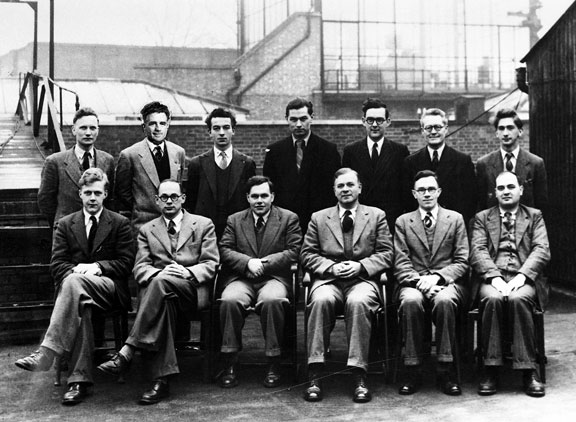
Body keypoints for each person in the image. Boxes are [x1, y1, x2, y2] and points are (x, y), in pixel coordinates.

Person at [15, 168, 134, 406]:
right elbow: (57, 264)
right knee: (81, 302)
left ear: (105, 194)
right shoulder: (66, 224)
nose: (92, 198)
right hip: (78, 292)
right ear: (79, 193)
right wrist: (77, 274)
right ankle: (78, 381)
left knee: (73, 283)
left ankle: (47, 353)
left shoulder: (120, 223)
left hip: (109, 289)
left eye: (97, 193)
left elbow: (126, 263)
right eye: (87, 192)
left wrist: (98, 267)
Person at [97, 179, 219, 404]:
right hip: (162, 293)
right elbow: (140, 267)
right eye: (164, 197)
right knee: (163, 298)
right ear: (156, 201)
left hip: (190, 289)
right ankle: (161, 381)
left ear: (183, 198)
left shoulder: (203, 224)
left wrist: (186, 271)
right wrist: (160, 275)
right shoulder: (147, 230)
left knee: (161, 288)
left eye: (174, 196)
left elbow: (211, 263)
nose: (169, 201)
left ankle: (129, 348)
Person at [300, 168, 393, 403]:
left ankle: (359, 373)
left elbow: (386, 253)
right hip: (329, 280)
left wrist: (361, 266)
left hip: (362, 280)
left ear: (359, 188)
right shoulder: (319, 218)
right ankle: (315, 372)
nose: (345, 190)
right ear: (334, 190)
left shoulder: (376, 216)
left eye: (350, 185)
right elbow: (307, 254)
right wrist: (330, 267)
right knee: (320, 300)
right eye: (340, 186)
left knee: (359, 301)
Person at [470, 171, 550, 397]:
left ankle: (528, 370)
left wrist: (522, 277)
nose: (506, 191)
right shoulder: (483, 218)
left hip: (522, 276)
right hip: (492, 277)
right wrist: (494, 277)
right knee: (492, 298)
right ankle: (491, 368)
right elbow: (477, 250)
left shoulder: (534, 216)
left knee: (519, 298)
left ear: (521, 190)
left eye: (510, 187)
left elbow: (541, 250)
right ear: (495, 192)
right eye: (501, 188)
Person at [217, 176, 302, 389]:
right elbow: (224, 249)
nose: (260, 200)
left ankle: (274, 361)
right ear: (247, 197)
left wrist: (264, 263)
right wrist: (247, 263)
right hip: (243, 277)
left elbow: (295, 250)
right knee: (229, 300)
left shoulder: (288, 218)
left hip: (274, 277)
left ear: (272, 197)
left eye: (264, 195)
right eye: (254, 196)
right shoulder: (235, 220)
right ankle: (230, 360)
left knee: (273, 300)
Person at [394, 170, 469, 396]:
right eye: (422, 190)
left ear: (438, 192)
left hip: (447, 283)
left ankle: (445, 370)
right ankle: (413, 369)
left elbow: (462, 260)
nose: (427, 194)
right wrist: (420, 282)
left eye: (430, 189)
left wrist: (437, 278)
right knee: (410, 301)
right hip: (413, 283)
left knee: (445, 301)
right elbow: (400, 261)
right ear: (414, 194)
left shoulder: (455, 219)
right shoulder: (403, 222)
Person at [263, 98, 341, 233]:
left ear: (312, 118)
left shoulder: (328, 150)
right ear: (286, 119)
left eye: (303, 119)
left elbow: (332, 192)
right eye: (293, 119)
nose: (298, 124)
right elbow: (270, 191)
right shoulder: (274, 152)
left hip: (319, 225)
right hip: (284, 226)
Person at [115, 101, 186, 238]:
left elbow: (180, 185)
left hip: (173, 229)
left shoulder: (178, 152)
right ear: (144, 126)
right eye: (153, 124)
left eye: (162, 123)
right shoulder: (130, 155)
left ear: (168, 125)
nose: (158, 128)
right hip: (143, 227)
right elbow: (123, 194)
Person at [184, 107, 256, 239]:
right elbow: (190, 204)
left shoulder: (247, 163)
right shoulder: (197, 164)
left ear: (233, 131)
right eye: (216, 128)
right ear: (209, 132)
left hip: (238, 235)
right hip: (205, 235)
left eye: (226, 127)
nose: (222, 133)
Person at [37, 107, 115, 228]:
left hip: (99, 230)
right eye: (83, 128)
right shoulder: (55, 162)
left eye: (92, 128)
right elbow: (45, 200)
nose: (88, 132)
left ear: (98, 131)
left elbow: (110, 199)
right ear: (74, 130)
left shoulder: (107, 160)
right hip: (66, 232)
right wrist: (61, 222)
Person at [342, 98, 409, 229]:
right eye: (370, 120)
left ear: (388, 122)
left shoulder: (400, 151)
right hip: (360, 221)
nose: (374, 124)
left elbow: (404, 189)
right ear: (363, 121)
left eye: (379, 120)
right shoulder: (351, 151)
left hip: (389, 220)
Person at [403, 108, 477, 225]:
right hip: (421, 227)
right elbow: (407, 200)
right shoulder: (410, 162)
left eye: (438, 127)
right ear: (422, 131)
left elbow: (470, 200)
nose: (433, 132)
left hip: (452, 228)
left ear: (446, 129)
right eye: (428, 128)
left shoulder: (463, 161)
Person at [476, 108, 548, 213]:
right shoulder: (484, 164)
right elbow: (481, 204)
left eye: (510, 128)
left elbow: (542, 204)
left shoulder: (535, 163)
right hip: (494, 226)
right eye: (501, 128)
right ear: (496, 133)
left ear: (520, 131)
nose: (505, 133)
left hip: (526, 226)